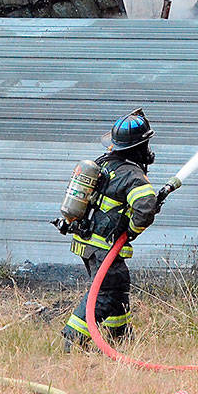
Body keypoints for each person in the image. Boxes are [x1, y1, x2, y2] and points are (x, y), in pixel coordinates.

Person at [61, 109, 159, 352]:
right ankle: (72, 341)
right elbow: (145, 209)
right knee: (105, 292)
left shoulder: (102, 164)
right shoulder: (133, 176)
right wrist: (132, 231)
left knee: (118, 287)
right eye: (145, 143)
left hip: (87, 243)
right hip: (105, 246)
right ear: (137, 146)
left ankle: (120, 337)